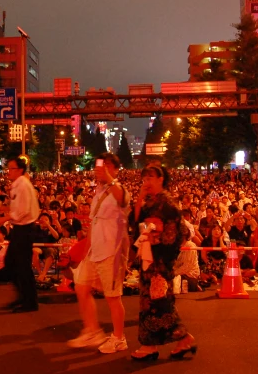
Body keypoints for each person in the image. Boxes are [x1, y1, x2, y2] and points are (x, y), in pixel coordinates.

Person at [129, 165, 196, 361]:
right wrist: (140, 198)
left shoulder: (168, 206)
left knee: (157, 302)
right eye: (144, 178)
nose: (146, 182)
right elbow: (134, 222)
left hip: (160, 261)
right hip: (148, 258)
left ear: (161, 179)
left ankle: (172, 340)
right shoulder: (149, 202)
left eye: (150, 177)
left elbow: (180, 234)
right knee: (150, 302)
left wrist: (159, 248)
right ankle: (158, 343)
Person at [67, 154, 130, 354]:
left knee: (113, 297)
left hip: (111, 252)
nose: (100, 169)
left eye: (107, 166)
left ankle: (119, 338)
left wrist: (110, 178)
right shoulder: (98, 192)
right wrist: (85, 252)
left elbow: (122, 199)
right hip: (94, 252)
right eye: (99, 166)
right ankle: (92, 330)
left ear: (116, 169)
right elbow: (93, 224)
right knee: (81, 288)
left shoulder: (120, 190)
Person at [0, 156, 40, 313]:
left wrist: (4, 217)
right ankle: (24, 296)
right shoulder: (17, 185)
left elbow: (22, 211)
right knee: (12, 263)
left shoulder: (23, 186)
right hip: (19, 229)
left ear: (20, 170)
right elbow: (17, 208)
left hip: (24, 229)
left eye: (11, 168)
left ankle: (30, 301)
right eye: (8, 168)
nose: (8, 171)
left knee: (22, 266)